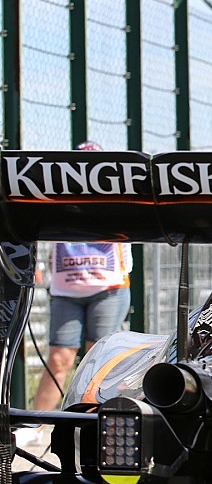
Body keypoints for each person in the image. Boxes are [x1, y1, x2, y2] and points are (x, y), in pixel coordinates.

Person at [16, 141, 133, 447]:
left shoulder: (116, 196)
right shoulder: (56, 196)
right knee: (59, 358)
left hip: (107, 288)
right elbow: (34, 226)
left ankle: (97, 427)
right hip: (66, 289)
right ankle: (37, 426)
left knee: (99, 360)